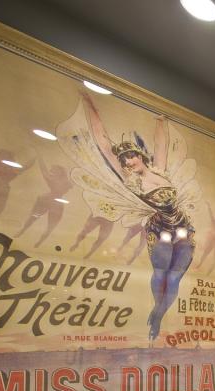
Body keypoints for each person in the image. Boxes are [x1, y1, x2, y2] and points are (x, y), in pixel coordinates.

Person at [78, 91, 196, 341]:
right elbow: (103, 143)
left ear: (140, 156)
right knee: (161, 273)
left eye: (130, 156)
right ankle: (157, 315)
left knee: (176, 276)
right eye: (122, 160)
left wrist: (161, 120)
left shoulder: (160, 171)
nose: (127, 162)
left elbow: (161, 144)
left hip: (183, 227)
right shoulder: (130, 181)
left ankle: (158, 314)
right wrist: (90, 106)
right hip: (161, 230)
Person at [14, 158, 72, 248]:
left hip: (55, 203)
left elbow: (73, 181)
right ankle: (23, 231)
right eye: (52, 170)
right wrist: (40, 158)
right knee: (33, 217)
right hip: (48, 200)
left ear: (60, 172)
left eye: (55, 170)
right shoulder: (52, 179)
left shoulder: (66, 182)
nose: (52, 171)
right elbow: (44, 169)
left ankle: (39, 241)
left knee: (50, 226)